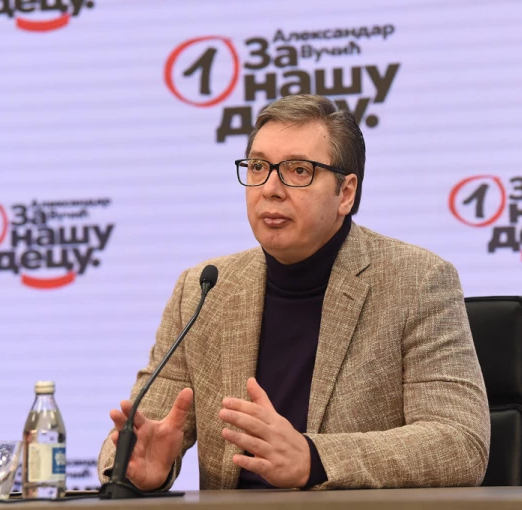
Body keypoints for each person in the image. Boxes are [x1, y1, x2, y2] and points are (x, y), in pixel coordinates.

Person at [98, 94, 490, 490]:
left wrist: (313, 458)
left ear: (345, 193)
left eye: (299, 170)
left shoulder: (416, 281)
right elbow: (145, 428)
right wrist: (133, 469)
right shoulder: (204, 289)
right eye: (258, 167)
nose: (270, 188)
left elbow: (460, 443)